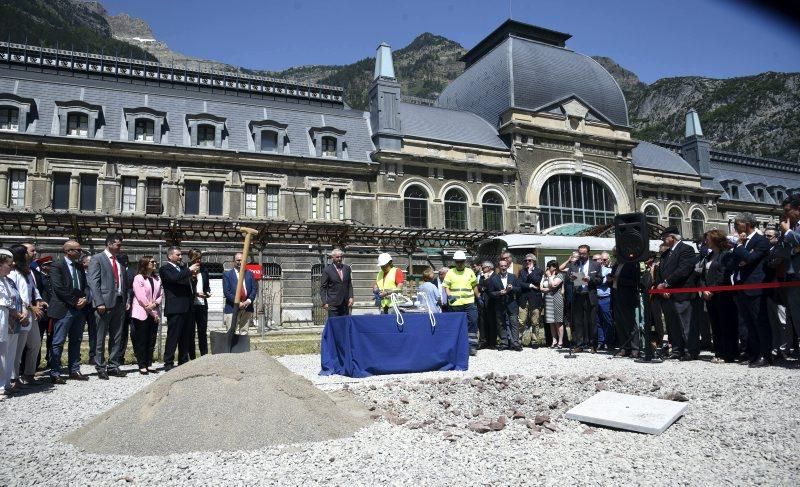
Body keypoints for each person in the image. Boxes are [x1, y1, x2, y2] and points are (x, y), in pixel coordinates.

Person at [731, 213, 772, 367]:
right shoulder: (743, 242)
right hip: (742, 286)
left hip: (755, 287)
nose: (735, 226)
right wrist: (742, 250)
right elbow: (739, 261)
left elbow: (748, 259)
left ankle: (765, 355)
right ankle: (754, 353)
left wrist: (740, 247)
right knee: (748, 323)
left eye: (737, 223)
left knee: (760, 322)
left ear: (746, 224)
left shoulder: (760, 241)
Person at [47, 240, 89, 383]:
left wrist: (85, 298)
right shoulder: (57, 265)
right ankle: (55, 372)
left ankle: (74, 370)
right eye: (77, 250)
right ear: (68, 251)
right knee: (58, 341)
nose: (80, 252)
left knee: (76, 340)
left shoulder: (79, 267)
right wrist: (74, 301)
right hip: (64, 308)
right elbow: (58, 288)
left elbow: (85, 285)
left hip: (78, 309)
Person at [87, 234, 129, 379]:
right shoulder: (97, 259)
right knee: (100, 336)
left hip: (119, 302)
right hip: (104, 303)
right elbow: (93, 282)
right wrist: (99, 302)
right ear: (109, 244)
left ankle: (113, 365)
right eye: (118, 245)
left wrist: (126, 300)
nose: (120, 247)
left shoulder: (120, 261)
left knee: (117, 336)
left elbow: (124, 283)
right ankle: (100, 366)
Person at [657, 227, 700, 360]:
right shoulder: (666, 253)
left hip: (682, 293)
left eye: (664, 237)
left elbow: (684, 270)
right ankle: (677, 350)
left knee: (685, 324)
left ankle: (690, 350)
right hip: (668, 294)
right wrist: (662, 287)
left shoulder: (686, 249)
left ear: (672, 237)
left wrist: (666, 283)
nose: (663, 240)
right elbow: (660, 271)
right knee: (673, 324)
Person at [8, 244, 44, 387]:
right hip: (20, 314)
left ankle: (29, 374)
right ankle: (13, 378)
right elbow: (16, 295)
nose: (33, 254)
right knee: (17, 348)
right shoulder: (13, 272)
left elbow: (32, 289)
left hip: (30, 313)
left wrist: (40, 300)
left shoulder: (27, 271)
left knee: (35, 343)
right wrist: (31, 307)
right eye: (30, 252)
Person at [700, 229, 738, 363]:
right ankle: (718, 351)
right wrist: (704, 289)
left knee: (725, 324)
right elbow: (703, 274)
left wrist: (712, 290)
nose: (706, 242)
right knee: (715, 324)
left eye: (708, 239)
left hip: (722, 295)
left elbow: (723, 274)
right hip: (710, 295)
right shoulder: (708, 256)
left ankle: (728, 353)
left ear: (715, 240)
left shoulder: (726, 255)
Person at [160, 246, 199, 371]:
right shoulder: (165, 269)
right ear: (170, 255)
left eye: (181, 254)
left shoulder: (183, 269)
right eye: (178, 254)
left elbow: (188, 284)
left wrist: (193, 278)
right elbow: (173, 279)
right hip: (175, 308)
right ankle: (168, 362)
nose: (181, 257)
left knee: (185, 336)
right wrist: (188, 271)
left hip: (187, 307)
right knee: (173, 336)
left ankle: (183, 360)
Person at [443, 251, 480, 355]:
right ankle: (457, 346)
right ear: (454, 261)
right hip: (455, 304)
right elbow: (446, 286)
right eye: (457, 261)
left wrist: (479, 297)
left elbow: (474, 286)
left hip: (469, 303)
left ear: (465, 261)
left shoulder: (470, 271)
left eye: (461, 261)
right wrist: (450, 296)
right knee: (456, 325)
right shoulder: (450, 272)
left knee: (473, 322)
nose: (459, 263)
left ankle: (472, 346)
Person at [568, 245, 602, 352]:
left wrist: (590, 279)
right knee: (578, 322)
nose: (582, 255)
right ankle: (579, 344)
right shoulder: (574, 264)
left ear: (588, 253)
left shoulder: (595, 265)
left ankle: (593, 345)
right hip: (578, 295)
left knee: (592, 321)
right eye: (580, 253)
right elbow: (569, 278)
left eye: (584, 253)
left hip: (590, 295)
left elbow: (599, 280)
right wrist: (571, 278)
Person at [131, 256, 162, 374]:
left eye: (155, 262)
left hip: (153, 312)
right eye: (152, 262)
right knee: (141, 339)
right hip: (142, 312)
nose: (155, 264)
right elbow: (140, 296)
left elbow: (160, 294)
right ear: (145, 264)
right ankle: (141, 364)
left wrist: (155, 304)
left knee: (151, 339)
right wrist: (151, 309)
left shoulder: (157, 278)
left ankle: (149, 363)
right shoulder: (138, 278)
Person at [608, 251, 642, 358]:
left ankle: (635, 349)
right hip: (616, 296)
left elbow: (635, 282)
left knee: (630, 324)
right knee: (620, 323)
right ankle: (624, 348)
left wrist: (618, 279)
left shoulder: (632, 264)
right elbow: (613, 280)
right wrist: (610, 279)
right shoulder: (616, 265)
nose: (614, 257)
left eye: (615, 254)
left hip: (627, 298)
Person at [0, 249, 23, 399]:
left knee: (9, 352)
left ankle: (6, 383)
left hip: (11, 318)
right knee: (1, 351)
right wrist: (13, 311)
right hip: (3, 315)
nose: (12, 265)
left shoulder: (8, 280)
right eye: (9, 263)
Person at [779, 193, 800, 358]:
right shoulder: (792, 228)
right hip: (792, 279)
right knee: (796, 319)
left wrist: (787, 233)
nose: (786, 216)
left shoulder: (791, 230)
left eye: (788, 211)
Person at [487, 257, 521, 351]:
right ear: (498, 267)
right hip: (499, 304)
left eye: (505, 266)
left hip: (511, 304)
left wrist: (512, 288)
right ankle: (504, 343)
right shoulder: (493, 279)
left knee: (514, 323)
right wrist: (499, 293)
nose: (503, 268)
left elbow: (519, 289)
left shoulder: (513, 277)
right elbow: (490, 293)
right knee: (501, 324)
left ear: (508, 266)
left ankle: (515, 343)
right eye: (501, 266)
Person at [222, 252, 257, 334]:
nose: (240, 262)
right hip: (232, 307)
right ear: (233, 261)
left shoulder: (250, 274)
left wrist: (248, 301)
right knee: (231, 332)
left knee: (244, 332)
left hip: (247, 307)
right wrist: (238, 302)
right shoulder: (227, 274)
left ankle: (242, 347)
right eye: (238, 260)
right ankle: (230, 347)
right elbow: (227, 292)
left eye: (242, 260)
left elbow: (254, 289)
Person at [517, 253, 544, 347]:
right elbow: (520, 283)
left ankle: (534, 341)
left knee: (535, 321)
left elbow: (538, 281)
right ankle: (519, 340)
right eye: (526, 260)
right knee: (521, 321)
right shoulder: (521, 272)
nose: (527, 262)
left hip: (535, 299)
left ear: (534, 261)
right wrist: (530, 285)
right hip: (524, 299)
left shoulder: (539, 271)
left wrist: (530, 272)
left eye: (529, 260)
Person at [188, 249, 210, 357]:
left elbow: (207, 285)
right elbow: (186, 288)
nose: (199, 260)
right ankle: (192, 356)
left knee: (202, 331)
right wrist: (196, 294)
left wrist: (208, 292)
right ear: (191, 258)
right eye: (196, 258)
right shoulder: (186, 270)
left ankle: (204, 355)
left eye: (200, 258)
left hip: (202, 304)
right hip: (191, 305)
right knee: (190, 333)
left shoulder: (204, 270)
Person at [320, 248, 354, 317]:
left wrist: (351, 297)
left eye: (341, 257)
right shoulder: (327, 270)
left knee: (344, 324)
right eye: (337, 257)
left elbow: (349, 284)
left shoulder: (347, 268)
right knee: (335, 325)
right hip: (333, 305)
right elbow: (323, 288)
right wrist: (324, 302)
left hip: (345, 304)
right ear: (332, 258)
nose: (340, 259)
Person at [540, 260, 565, 348]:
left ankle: (560, 341)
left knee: (558, 321)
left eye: (549, 266)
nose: (547, 268)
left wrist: (550, 276)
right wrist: (547, 288)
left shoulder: (559, 275)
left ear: (554, 267)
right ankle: (554, 340)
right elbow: (541, 287)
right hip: (548, 300)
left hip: (557, 299)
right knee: (551, 321)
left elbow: (554, 285)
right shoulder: (545, 276)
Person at [81, 254, 97, 366]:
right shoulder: (80, 274)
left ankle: (93, 356)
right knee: (78, 333)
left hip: (94, 306)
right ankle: (76, 357)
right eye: (90, 261)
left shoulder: (96, 274)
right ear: (84, 263)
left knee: (94, 332)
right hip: (82, 306)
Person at [596, 252, 614, 350]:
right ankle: (600, 341)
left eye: (604, 260)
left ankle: (609, 341)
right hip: (595, 297)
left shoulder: (609, 270)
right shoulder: (594, 270)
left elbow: (605, 282)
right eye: (600, 259)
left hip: (605, 298)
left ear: (608, 260)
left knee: (608, 320)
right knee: (597, 321)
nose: (602, 261)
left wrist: (594, 280)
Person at [477, 261, 497, 349]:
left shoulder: (495, 276)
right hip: (483, 302)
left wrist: (485, 281)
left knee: (492, 322)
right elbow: (479, 286)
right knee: (482, 322)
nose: (482, 268)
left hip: (492, 302)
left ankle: (492, 342)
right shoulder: (482, 276)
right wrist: (483, 286)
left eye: (483, 267)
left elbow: (492, 286)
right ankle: (483, 341)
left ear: (489, 268)